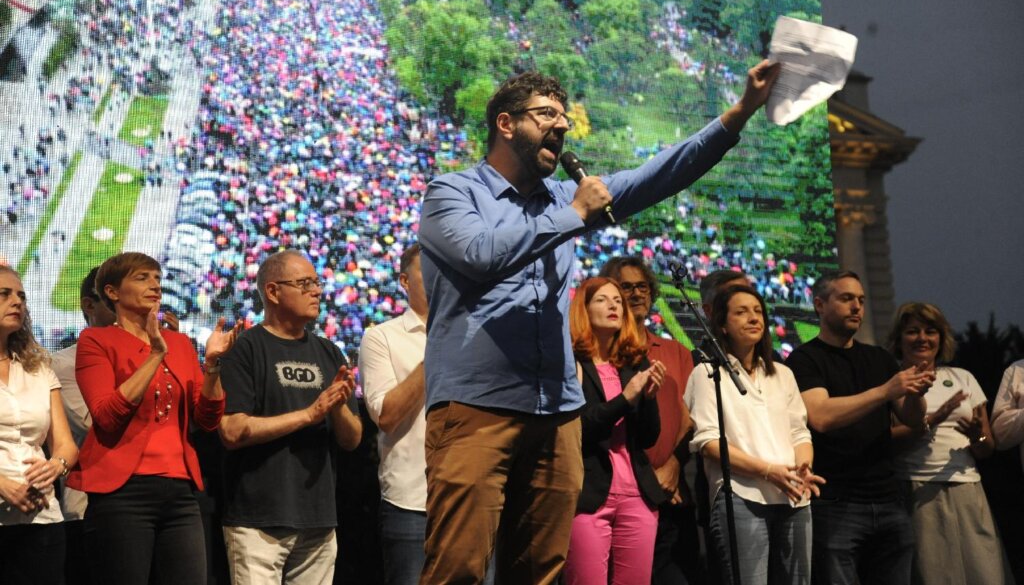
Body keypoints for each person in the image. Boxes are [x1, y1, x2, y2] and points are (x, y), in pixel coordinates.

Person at [417, 61, 779, 583]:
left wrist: (742, 111)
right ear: (505, 123)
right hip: (477, 406)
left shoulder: (564, 197)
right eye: (545, 115)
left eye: (564, 118)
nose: (561, 126)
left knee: (540, 570)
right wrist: (574, 217)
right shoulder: (452, 193)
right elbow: (480, 255)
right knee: (458, 568)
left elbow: (660, 174)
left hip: (557, 412)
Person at [68, 252, 240, 585]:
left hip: (180, 491)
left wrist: (213, 366)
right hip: (122, 493)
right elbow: (106, 415)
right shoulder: (97, 341)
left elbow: (207, 419)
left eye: (158, 278)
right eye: (142, 277)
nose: (155, 286)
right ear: (112, 292)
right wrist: (156, 354)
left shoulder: (180, 343)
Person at [218, 249, 362, 585]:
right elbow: (232, 429)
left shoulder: (329, 351)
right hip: (257, 521)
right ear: (272, 291)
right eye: (304, 283)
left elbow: (352, 439)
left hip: (319, 518)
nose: (316, 291)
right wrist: (309, 414)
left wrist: (338, 405)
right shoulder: (245, 349)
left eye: (316, 282)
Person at [786, 270, 934, 585]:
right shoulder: (804, 359)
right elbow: (822, 416)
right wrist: (885, 391)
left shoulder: (879, 358)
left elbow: (911, 419)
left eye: (861, 300)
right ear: (819, 305)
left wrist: (916, 394)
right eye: (846, 298)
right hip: (836, 504)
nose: (857, 307)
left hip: (887, 499)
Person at [689, 285, 823, 585]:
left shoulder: (782, 373)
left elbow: (800, 432)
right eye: (741, 312)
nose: (753, 318)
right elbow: (709, 444)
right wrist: (767, 471)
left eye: (758, 311)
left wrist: (803, 468)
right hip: (741, 495)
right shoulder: (707, 373)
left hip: (793, 496)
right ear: (722, 325)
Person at [888, 302, 1011, 585]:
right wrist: (934, 418)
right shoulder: (893, 382)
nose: (922, 338)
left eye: (930, 331)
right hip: (916, 487)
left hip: (968, 486)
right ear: (899, 339)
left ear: (941, 338)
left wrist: (975, 437)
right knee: (934, 576)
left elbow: (986, 446)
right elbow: (888, 441)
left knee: (986, 573)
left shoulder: (962, 377)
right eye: (912, 331)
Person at [600, 255, 697, 585]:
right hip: (615, 491)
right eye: (626, 287)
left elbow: (689, 419)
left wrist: (673, 465)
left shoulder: (676, 352)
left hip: (670, 490)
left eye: (642, 286)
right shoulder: (599, 351)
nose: (637, 293)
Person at [564, 277, 666, 584]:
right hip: (589, 494)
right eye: (603, 300)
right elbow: (579, 430)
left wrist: (647, 399)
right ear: (583, 309)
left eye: (618, 301)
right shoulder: (571, 363)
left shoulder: (634, 363)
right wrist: (625, 399)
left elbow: (648, 437)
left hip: (637, 494)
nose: (614, 306)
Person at [358, 244, 432, 585]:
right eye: (429, 268)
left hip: (472, 498)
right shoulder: (381, 338)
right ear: (404, 280)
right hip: (411, 501)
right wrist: (439, 345)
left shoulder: (475, 336)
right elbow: (386, 415)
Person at [0, 265, 78, 585]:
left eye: (21, 295)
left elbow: (66, 445)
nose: (17, 302)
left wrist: (56, 466)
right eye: (5, 294)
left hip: (42, 517)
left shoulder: (38, 366)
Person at [49, 267, 114, 585]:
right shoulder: (63, 363)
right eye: (115, 303)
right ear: (90, 306)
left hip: (150, 501)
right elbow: (97, 424)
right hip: (90, 507)